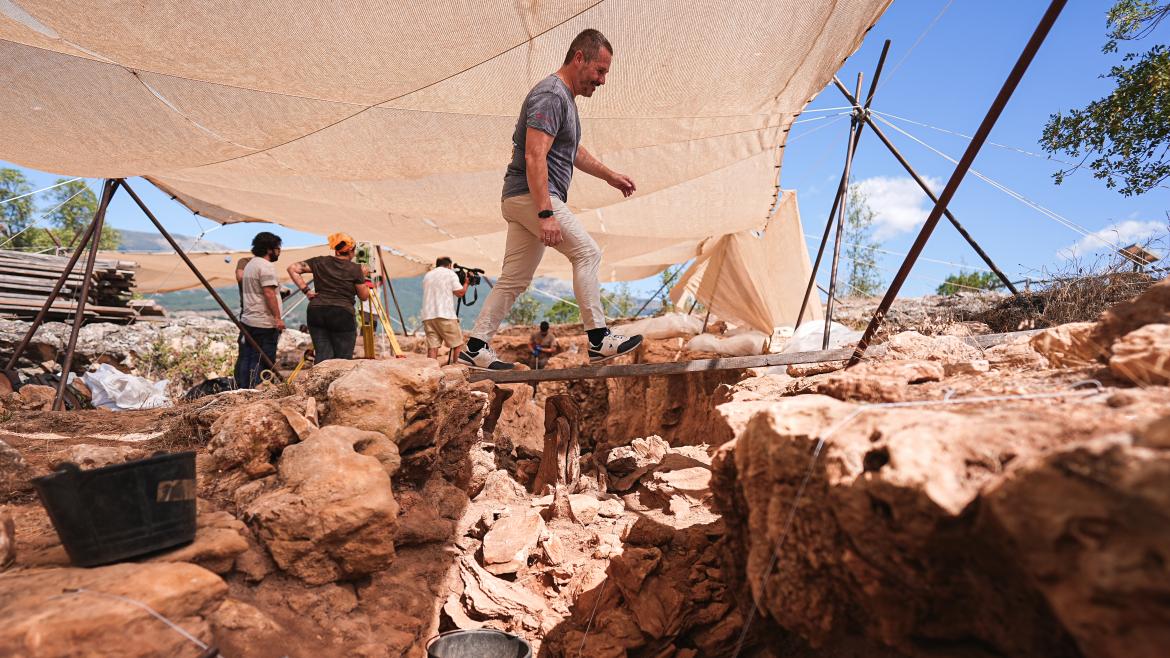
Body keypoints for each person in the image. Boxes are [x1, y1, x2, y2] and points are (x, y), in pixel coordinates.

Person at [458, 29, 643, 371]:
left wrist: (610, 175)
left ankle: (475, 346)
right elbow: (534, 155)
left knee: (514, 278)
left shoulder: (565, 100)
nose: (602, 81)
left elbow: (573, 151)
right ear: (579, 59)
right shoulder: (551, 94)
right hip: (532, 195)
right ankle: (600, 339)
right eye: (600, 71)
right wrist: (545, 212)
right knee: (587, 252)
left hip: (522, 197)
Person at [286, 232, 369, 362]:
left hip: (317, 311)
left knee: (323, 355)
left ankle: (319, 381)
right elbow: (364, 296)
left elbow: (292, 268)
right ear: (351, 250)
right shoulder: (355, 269)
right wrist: (363, 276)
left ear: (336, 250)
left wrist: (306, 290)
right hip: (342, 313)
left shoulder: (320, 261)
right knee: (342, 359)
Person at [235, 232, 284, 389]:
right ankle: (257, 392)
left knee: (247, 358)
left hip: (249, 320)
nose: (279, 252)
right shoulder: (265, 266)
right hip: (264, 322)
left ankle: (243, 389)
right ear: (269, 249)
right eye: (278, 248)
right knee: (263, 361)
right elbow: (269, 293)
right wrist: (277, 318)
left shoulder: (250, 264)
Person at [420, 257, 469, 361]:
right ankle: (457, 369)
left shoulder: (428, 275)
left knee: (433, 346)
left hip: (428, 316)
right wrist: (466, 283)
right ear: (449, 265)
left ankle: (431, 371)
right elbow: (460, 293)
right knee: (457, 344)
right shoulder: (450, 274)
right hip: (445, 314)